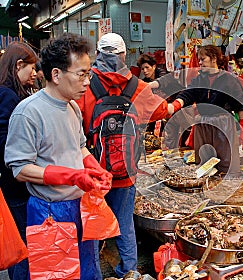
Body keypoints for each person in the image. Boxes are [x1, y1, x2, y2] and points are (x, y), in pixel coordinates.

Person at [4, 33, 112, 280]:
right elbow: (20, 169)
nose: (87, 82)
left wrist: (94, 168)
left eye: (89, 73)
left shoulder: (73, 106)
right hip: (49, 212)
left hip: (81, 206)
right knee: (58, 275)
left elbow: (80, 146)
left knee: (88, 271)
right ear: (56, 75)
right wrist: (71, 176)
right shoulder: (28, 113)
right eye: (81, 74)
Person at [76, 32, 170, 278]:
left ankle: (94, 272)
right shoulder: (136, 85)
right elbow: (161, 110)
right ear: (124, 55)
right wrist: (180, 104)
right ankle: (128, 270)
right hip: (126, 170)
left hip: (93, 172)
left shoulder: (85, 85)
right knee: (125, 223)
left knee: (94, 226)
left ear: (97, 55)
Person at [151, 45, 243, 174]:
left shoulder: (229, 80)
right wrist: (173, 106)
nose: (200, 62)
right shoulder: (199, 79)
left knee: (227, 164)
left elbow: (239, 105)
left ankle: (227, 188)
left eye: (203, 59)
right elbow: (187, 94)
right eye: (199, 59)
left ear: (214, 58)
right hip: (203, 125)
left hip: (223, 125)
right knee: (203, 164)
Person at [0, 41, 37, 280]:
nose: (35, 73)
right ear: (18, 65)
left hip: (11, 181)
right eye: (30, 68)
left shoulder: (9, 93)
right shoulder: (7, 96)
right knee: (21, 243)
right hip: (14, 183)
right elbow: (4, 140)